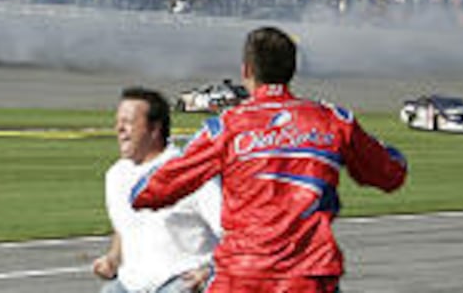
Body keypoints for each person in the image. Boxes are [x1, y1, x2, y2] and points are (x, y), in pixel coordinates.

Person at [130, 27, 407, 292]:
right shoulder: (333, 120)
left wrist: (137, 187)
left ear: (247, 71)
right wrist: (393, 155)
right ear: (292, 69)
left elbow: (154, 189)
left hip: (242, 274)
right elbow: (391, 173)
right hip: (309, 275)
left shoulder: (226, 126)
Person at [93, 87, 223, 293]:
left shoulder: (190, 172)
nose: (119, 128)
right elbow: (125, 226)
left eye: (128, 123)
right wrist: (112, 259)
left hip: (181, 281)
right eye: (118, 122)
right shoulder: (116, 175)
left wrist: (209, 271)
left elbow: (230, 232)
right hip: (132, 285)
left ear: (154, 129)